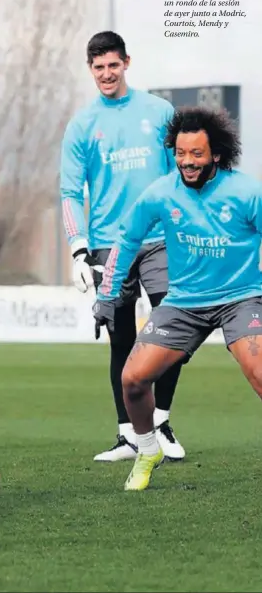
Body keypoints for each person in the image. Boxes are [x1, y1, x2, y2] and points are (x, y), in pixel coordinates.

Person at [94, 105, 262, 491]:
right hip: (184, 302)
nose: (187, 162)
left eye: (196, 155)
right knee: (133, 379)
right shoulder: (161, 192)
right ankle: (148, 449)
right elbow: (126, 238)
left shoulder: (248, 192)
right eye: (180, 154)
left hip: (242, 298)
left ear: (216, 154)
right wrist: (107, 294)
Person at [60, 30, 185, 462]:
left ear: (126, 63)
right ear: (90, 69)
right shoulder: (81, 125)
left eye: (113, 65)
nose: (107, 74)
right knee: (121, 341)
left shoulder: (160, 112)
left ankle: (162, 421)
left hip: (159, 240)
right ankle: (129, 435)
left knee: (172, 331)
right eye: (99, 67)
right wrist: (78, 249)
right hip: (108, 248)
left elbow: (181, 177)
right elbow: (70, 191)